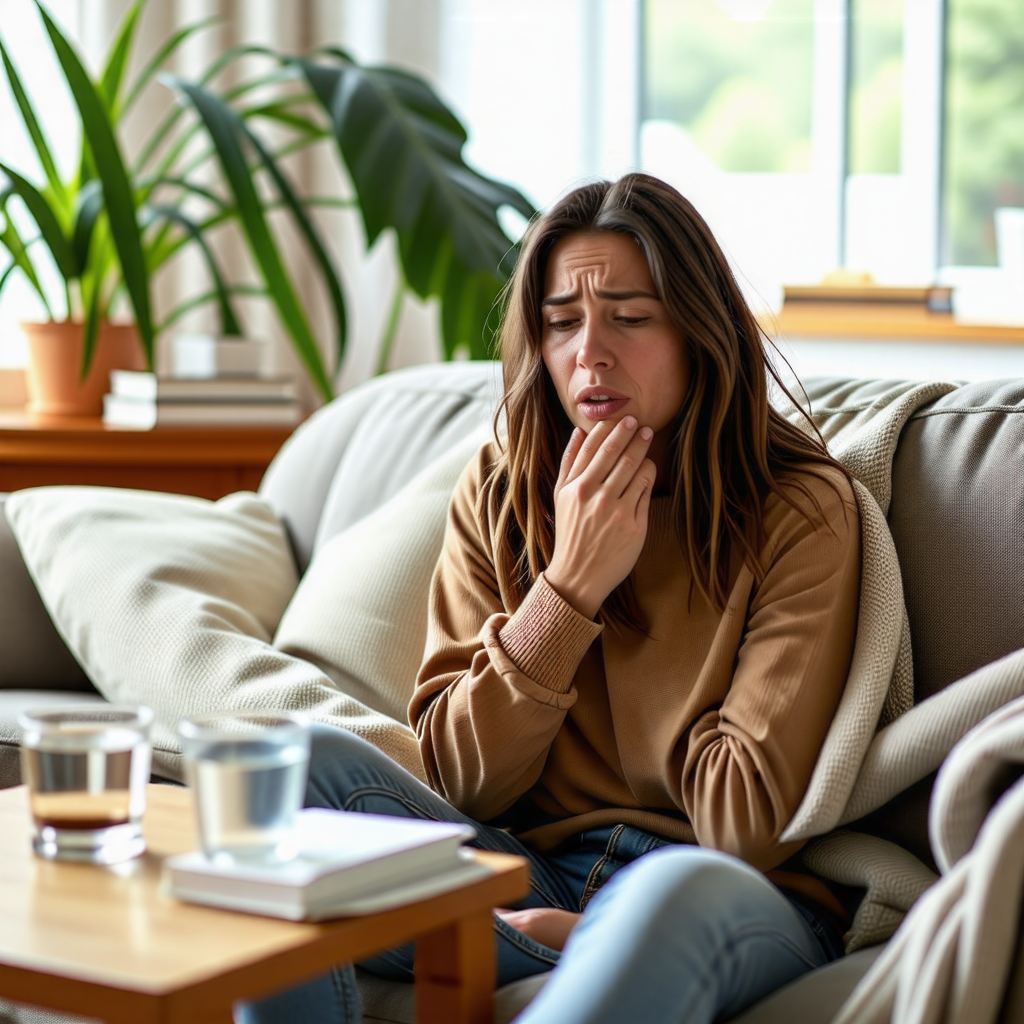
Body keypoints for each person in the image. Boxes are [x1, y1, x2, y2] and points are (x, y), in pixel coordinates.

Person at [240, 172, 860, 1024]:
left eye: (631, 319)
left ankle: (576, 940)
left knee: (675, 887)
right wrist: (569, 590)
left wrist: (590, 926)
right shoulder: (500, 488)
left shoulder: (799, 510)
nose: (589, 354)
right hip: (523, 869)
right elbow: (461, 780)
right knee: (297, 768)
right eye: (562, 323)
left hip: (724, 893)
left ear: (699, 334)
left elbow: (742, 822)